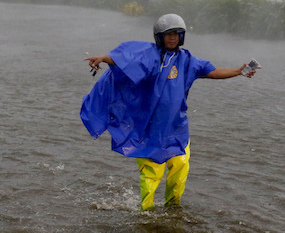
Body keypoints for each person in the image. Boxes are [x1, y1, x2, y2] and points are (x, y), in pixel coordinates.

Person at [80, 13, 258, 211]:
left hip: (177, 128)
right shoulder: (149, 55)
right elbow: (126, 59)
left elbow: (213, 72)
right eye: (168, 34)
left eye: (176, 34)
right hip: (150, 130)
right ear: (160, 36)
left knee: (180, 169)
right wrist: (104, 58)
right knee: (151, 175)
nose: (173, 38)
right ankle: (145, 214)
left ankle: (173, 210)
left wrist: (239, 71)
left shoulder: (188, 60)